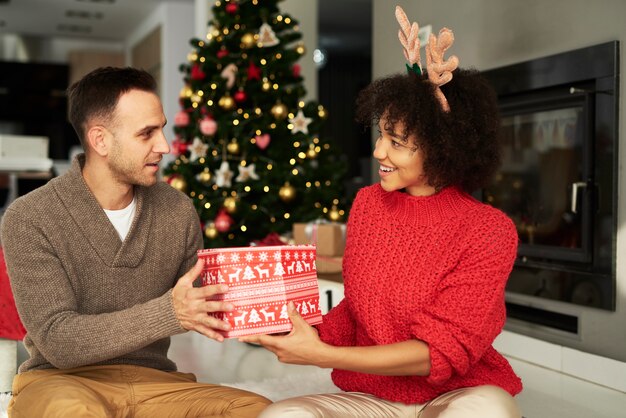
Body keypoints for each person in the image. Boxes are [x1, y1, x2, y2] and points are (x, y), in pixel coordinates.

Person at [241, 7, 523, 418]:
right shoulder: (369, 204)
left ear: (444, 147)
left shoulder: (488, 230)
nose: (378, 152)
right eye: (380, 135)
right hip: (371, 399)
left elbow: (436, 353)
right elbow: (356, 309)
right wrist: (298, 328)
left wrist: (320, 355)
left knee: (489, 413)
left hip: (456, 394)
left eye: (396, 141)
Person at [1, 67, 271, 417]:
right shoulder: (30, 217)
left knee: (259, 410)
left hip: (154, 382)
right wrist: (169, 313)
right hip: (61, 381)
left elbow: (204, 300)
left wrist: (273, 297)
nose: (165, 146)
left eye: (162, 129)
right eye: (147, 133)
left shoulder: (177, 209)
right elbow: (58, 340)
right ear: (100, 140)